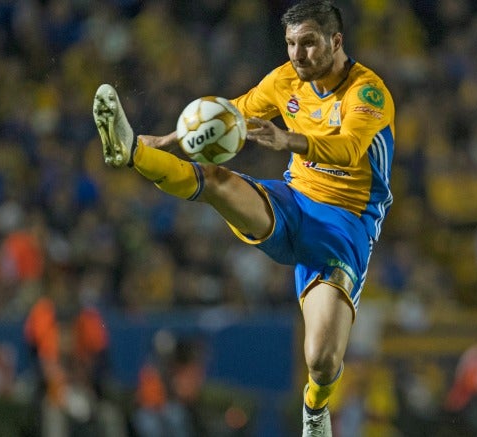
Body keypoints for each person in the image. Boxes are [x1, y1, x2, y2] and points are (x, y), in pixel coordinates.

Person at [92, 1, 395, 435]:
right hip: (293, 202)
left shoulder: (367, 93)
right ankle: (131, 153)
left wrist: (287, 138)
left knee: (323, 362)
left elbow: (348, 149)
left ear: (336, 41)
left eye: (308, 43)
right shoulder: (285, 80)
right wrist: (163, 139)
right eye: (291, 44)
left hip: (345, 227)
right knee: (216, 180)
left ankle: (314, 410)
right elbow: (228, 113)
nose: (298, 54)